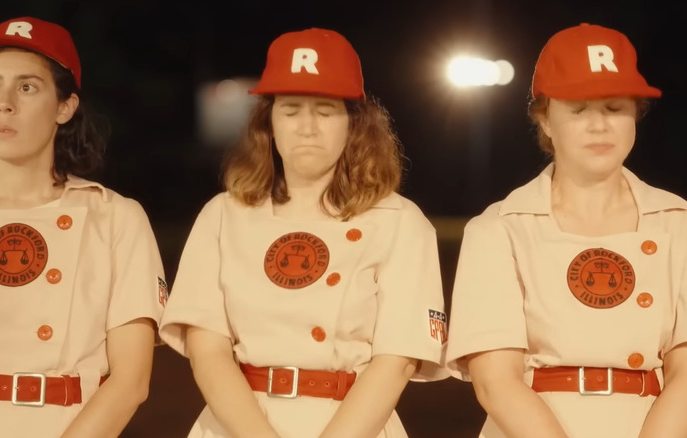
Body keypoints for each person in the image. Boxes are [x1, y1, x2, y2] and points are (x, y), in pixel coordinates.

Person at [160, 27, 447, 438]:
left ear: (354, 123)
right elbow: (208, 351)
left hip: (352, 424)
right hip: (236, 425)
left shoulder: (401, 222)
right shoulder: (222, 215)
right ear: (269, 123)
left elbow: (397, 360)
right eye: (291, 109)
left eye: (325, 110)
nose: (306, 127)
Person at [0, 17, 165, 438]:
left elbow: (131, 382)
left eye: (26, 87)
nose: (3, 103)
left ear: (65, 107)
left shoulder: (117, 217)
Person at [446, 23, 687, 438]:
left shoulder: (678, 222)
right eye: (578, 109)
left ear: (636, 115)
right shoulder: (497, 229)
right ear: (546, 120)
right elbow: (495, 382)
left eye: (614, 108)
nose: (599, 126)